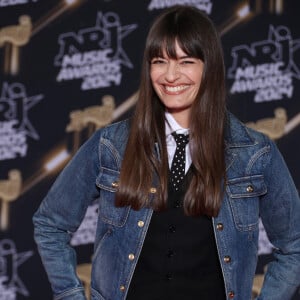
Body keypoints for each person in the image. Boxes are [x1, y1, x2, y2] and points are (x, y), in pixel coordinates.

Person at [33, 5, 300, 300]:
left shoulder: (255, 153)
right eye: (160, 61)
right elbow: (50, 224)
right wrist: (70, 294)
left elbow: (295, 245)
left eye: (186, 61)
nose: (171, 76)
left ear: (208, 67)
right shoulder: (111, 145)